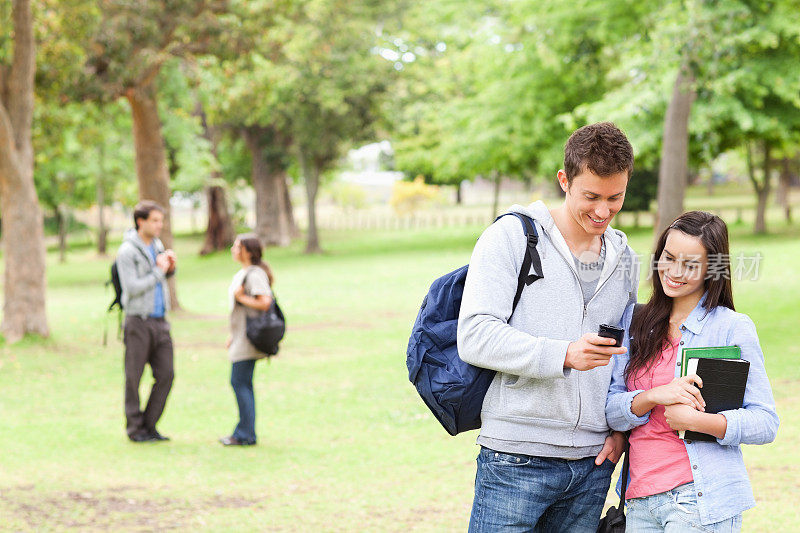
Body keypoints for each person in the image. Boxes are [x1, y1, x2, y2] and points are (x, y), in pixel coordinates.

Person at [457, 122, 640, 531]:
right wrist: (563, 353)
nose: (603, 211)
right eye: (591, 196)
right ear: (564, 180)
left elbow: (627, 354)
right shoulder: (511, 237)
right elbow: (475, 334)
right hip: (516, 458)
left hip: (593, 465)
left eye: (615, 198)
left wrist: (619, 430)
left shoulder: (625, 257)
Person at [606, 211, 778, 531]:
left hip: (699, 501)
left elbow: (765, 422)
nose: (674, 272)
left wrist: (699, 422)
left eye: (690, 265)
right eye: (668, 258)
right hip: (640, 499)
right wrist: (653, 396)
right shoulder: (634, 321)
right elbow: (613, 410)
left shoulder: (731, 327)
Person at [116, 200, 177, 443]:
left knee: (167, 374)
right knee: (134, 377)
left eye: (161, 220)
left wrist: (169, 267)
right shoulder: (127, 251)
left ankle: (150, 425)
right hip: (138, 321)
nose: (159, 225)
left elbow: (161, 279)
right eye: (155, 220)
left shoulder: (157, 245)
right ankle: (135, 429)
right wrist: (159, 271)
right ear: (140, 221)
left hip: (160, 320)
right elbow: (132, 287)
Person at [219, 234, 274, 446]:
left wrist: (241, 297)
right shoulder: (245, 273)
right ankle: (244, 431)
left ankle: (246, 434)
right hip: (241, 336)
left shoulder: (255, 274)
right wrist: (232, 334)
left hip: (249, 339)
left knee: (239, 382)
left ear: (248, 251)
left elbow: (265, 302)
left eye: (237, 246)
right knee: (242, 383)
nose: (233, 249)